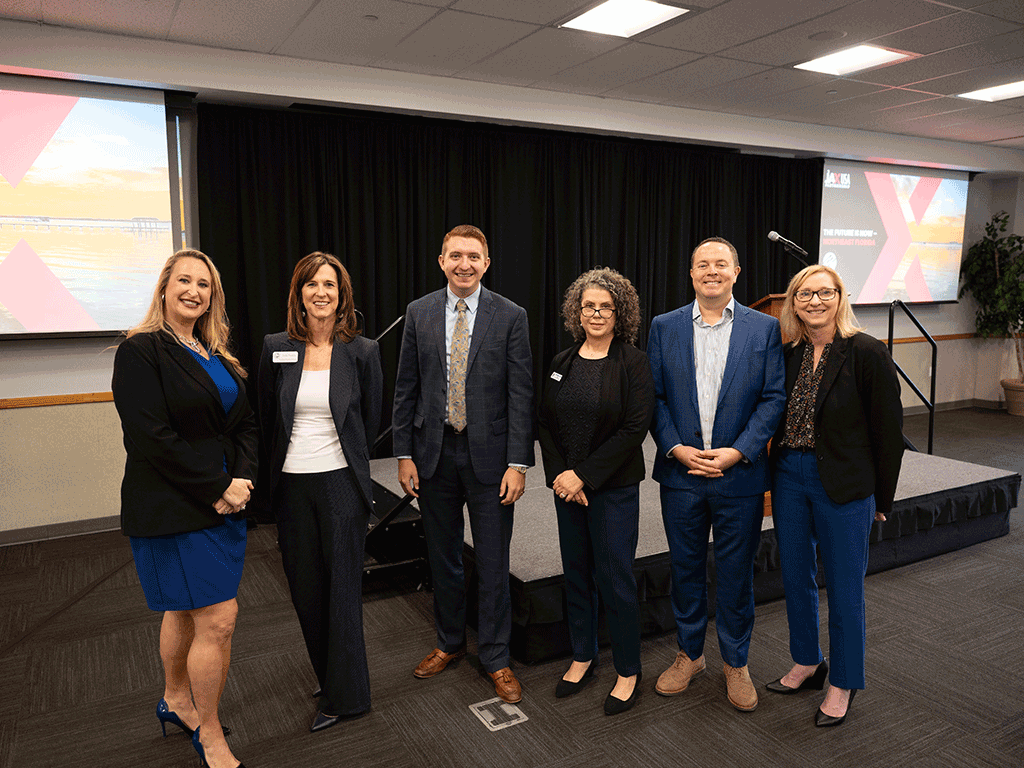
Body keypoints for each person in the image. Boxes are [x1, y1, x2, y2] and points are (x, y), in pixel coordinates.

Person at [112, 249, 256, 768]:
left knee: (184, 607)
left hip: (225, 505)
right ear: (164, 288)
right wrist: (217, 486)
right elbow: (151, 437)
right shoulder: (140, 350)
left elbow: (243, 425)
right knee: (218, 617)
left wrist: (243, 479)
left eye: (204, 284)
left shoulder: (215, 354)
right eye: (184, 281)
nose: (194, 290)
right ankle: (209, 732)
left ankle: (174, 699)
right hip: (174, 506)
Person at [393, 224, 534, 703]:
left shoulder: (511, 316)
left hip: (491, 460)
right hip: (433, 456)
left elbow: (521, 394)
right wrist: (404, 453)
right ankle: (449, 642)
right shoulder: (419, 313)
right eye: (455, 256)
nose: (464, 264)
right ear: (441, 261)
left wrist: (519, 462)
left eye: (473, 256)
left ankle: (495, 657)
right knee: (444, 557)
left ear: (486, 263)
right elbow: (405, 386)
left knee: (493, 562)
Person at [647, 236, 785, 713]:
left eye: (720, 264)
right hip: (681, 475)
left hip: (738, 477)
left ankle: (735, 662)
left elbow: (773, 398)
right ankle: (690, 655)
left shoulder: (763, 328)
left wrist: (739, 452)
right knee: (684, 570)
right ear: (690, 274)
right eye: (702, 264)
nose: (711, 271)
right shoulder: (663, 327)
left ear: (736, 271)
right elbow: (655, 398)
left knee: (735, 575)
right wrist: (676, 448)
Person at [765, 265, 903, 727]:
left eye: (824, 292)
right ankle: (807, 660)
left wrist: (882, 498)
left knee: (846, 588)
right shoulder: (789, 353)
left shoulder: (866, 351)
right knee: (796, 576)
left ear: (840, 297)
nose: (814, 301)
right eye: (804, 294)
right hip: (789, 476)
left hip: (844, 483)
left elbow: (889, 430)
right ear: (793, 302)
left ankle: (843, 681)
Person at [257, 252, 383, 733]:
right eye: (312, 284)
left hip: (341, 487)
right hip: (291, 487)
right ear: (299, 293)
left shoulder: (363, 352)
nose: (321, 293)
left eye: (329, 284)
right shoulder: (276, 347)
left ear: (341, 293)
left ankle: (347, 697)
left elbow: (367, 424)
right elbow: (268, 419)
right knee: (306, 590)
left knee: (343, 594)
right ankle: (329, 675)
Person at [538, 268, 654, 715]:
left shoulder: (633, 362)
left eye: (605, 305)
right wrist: (560, 477)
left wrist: (582, 476)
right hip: (566, 489)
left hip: (612, 489)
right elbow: (545, 423)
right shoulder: (560, 362)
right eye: (589, 306)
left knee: (615, 577)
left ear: (619, 311)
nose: (597, 312)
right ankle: (583, 654)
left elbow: (633, 428)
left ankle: (628, 669)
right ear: (577, 312)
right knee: (576, 574)